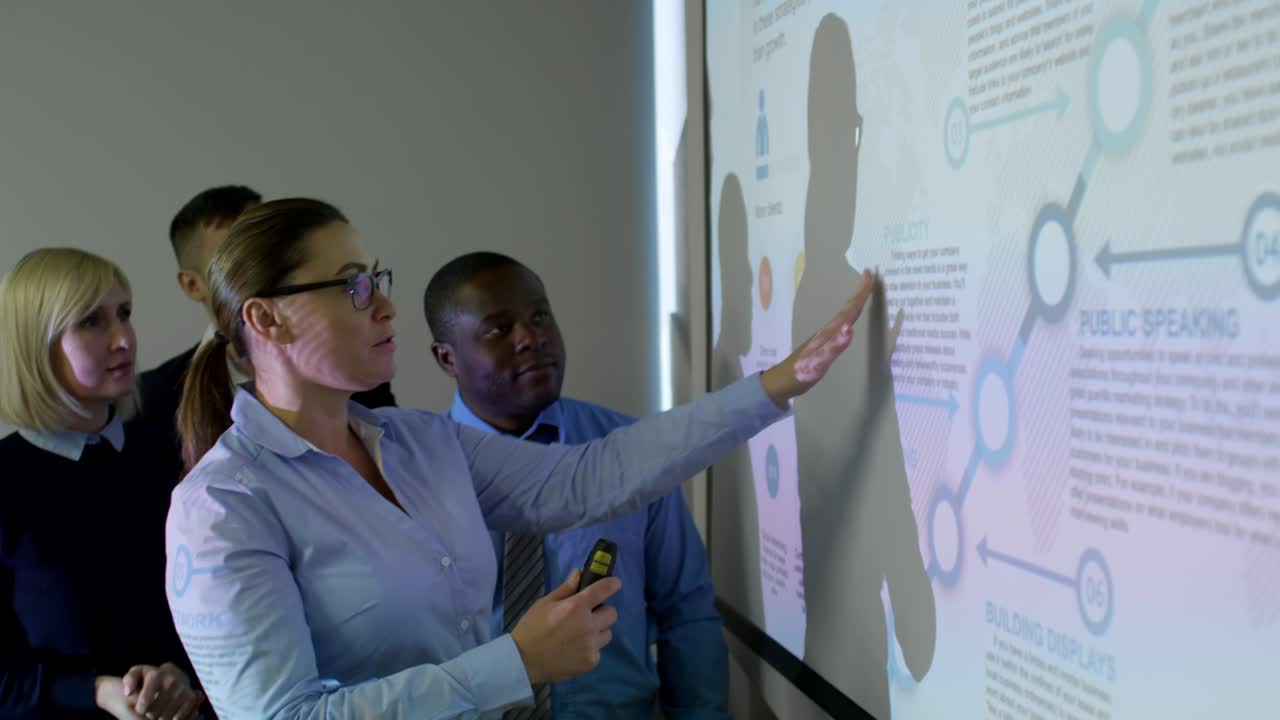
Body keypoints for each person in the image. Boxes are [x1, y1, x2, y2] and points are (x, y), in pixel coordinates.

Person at [164, 198, 874, 719]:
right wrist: (518, 663)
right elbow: (282, 718)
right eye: (353, 286)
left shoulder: (417, 442)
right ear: (265, 318)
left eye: (378, 279)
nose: (383, 307)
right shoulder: (224, 506)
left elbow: (590, 477)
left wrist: (780, 384)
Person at [424, 251, 728, 718]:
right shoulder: (413, 471)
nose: (531, 338)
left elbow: (685, 611)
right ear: (448, 358)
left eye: (540, 316)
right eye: (499, 329)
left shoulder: (630, 452)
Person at [791, 14, 935, 717]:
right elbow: (869, 462)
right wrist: (910, 588)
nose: (851, 154)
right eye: (844, 130)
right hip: (844, 632)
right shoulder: (832, 294)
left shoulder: (826, 288)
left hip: (836, 625)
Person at [0, 248, 205, 720]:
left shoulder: (175, 453)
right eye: (91, 321)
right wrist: (96, 691)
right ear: (36, 341)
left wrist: (182, 674)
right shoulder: (6, 482)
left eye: (124, 314)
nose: (122, 339)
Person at [139, 186, 394, 461]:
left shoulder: (354, 363)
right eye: (232, 264)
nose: (260, 269)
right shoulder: (152, 399)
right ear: (192, 284)